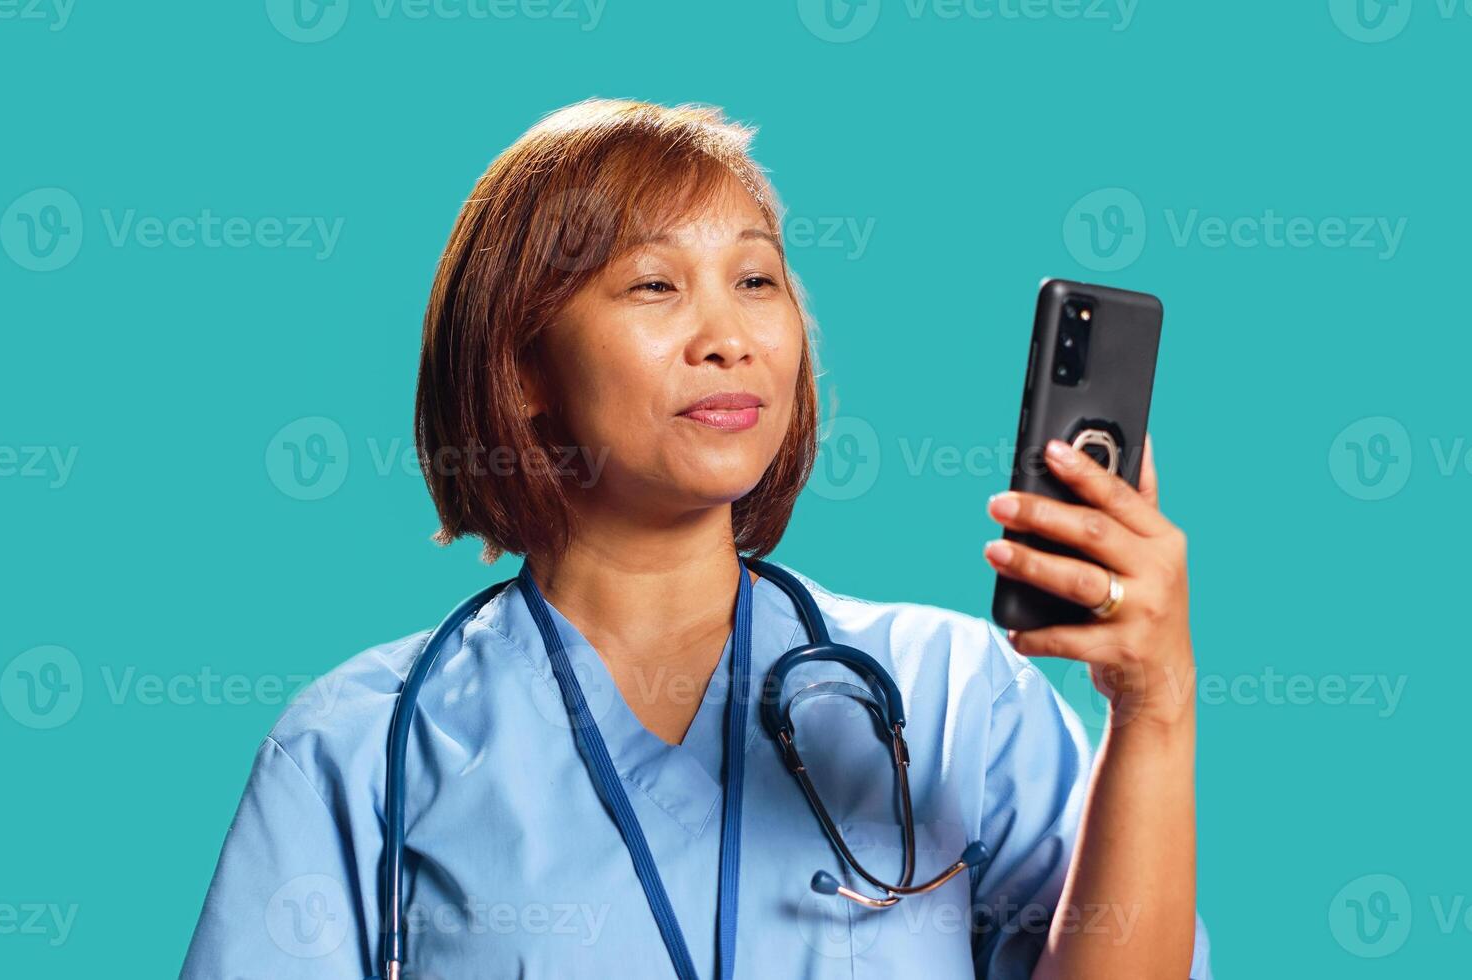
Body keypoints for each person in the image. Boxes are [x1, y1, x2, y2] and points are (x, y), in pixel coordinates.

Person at [178, 98, 1214, 979]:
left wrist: (1153, 708)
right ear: (523, 366)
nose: (728, 335)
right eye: (654, 285)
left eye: (756, 280)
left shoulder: (949, 694)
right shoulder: (360, 747)